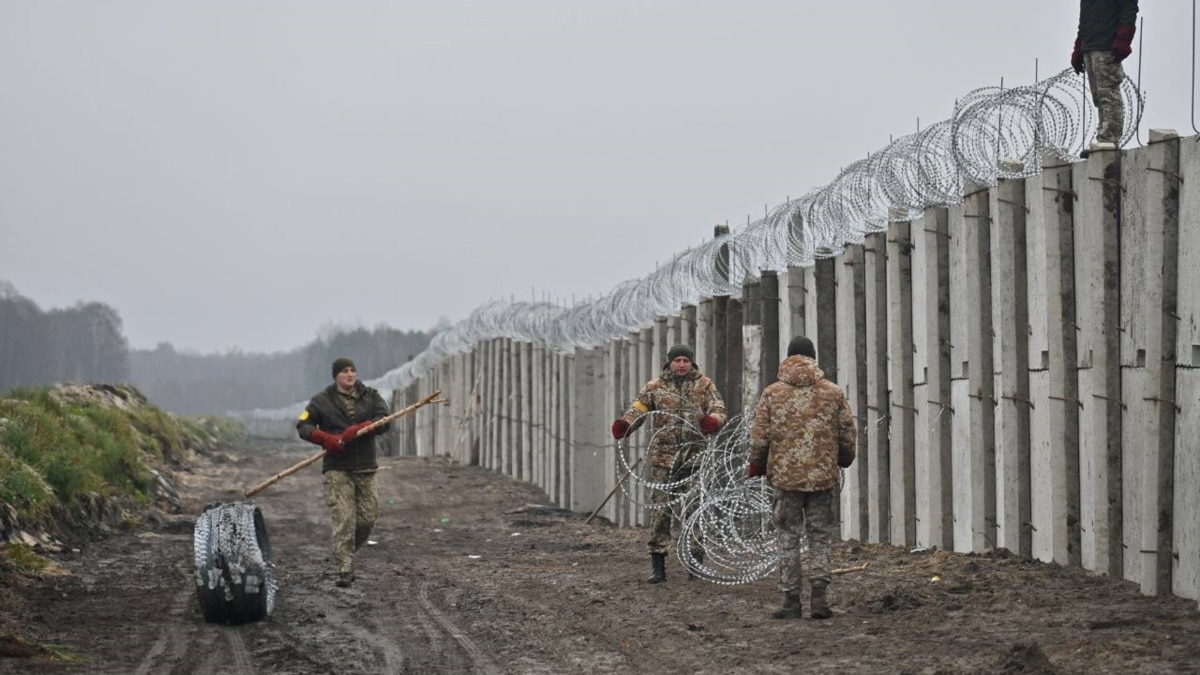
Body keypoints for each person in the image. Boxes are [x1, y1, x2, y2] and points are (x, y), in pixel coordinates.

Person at [747, 336, 856, 619]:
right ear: (813, 357)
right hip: (822, 477)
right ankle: (819, 599)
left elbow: (760, 437)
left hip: (785, 479)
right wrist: (844, 458)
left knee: (788, 536)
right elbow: (847, 431)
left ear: (788, 358)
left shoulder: (773, 393)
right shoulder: (832, 392)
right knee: (820, 536)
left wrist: (757, 464)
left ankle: (790, 601)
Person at [612, 344, 726, 584]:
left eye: (685, 360)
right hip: (664, 460)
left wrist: (712, 421)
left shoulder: (704, 385)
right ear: (669, 363)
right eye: (677, 360)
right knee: (660, 512)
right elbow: (638, 410)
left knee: (695, 511)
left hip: (694, 458)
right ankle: (658, 565)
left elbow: (718, 408)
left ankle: (696, 564)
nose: (681, 364)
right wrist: (626, 425)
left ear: (691, 362)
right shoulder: (655, 387)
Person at [296, 357, 393, 588]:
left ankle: (346, 552)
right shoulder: (321, 401)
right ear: (335, 376)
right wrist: (325, 438)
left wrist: (362, 428)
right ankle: (344, 569)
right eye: (345, 371)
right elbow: (303, 425)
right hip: (337, 468)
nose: (350, 375)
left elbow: (385, 420)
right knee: (344, 518)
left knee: (367, 519)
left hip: (365, 466)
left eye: (353, 370)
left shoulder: (370, 396)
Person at [1071, 0, 1139, 153]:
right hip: (1090, 47)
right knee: (1098, 96)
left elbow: (1129, 10)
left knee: (1108, 93)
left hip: (1106, 46)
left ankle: (1109, 139)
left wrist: (1123, 39)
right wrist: (1079, 47)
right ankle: (1103, 137)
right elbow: (1085, 21)